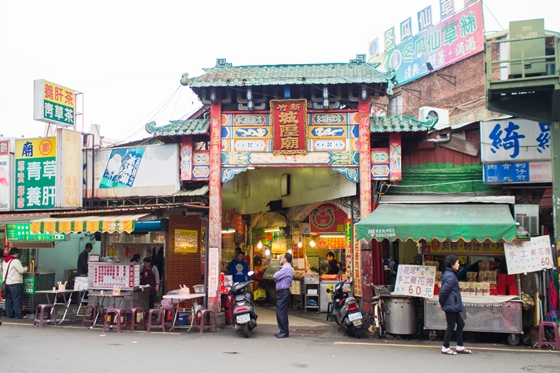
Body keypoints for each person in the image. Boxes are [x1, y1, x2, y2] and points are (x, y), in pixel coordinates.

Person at [439, 254, 472, 355]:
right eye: (457, 262)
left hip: (453, 304)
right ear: (452, 264)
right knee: (451, 326)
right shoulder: (450, 276)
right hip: (451, 304)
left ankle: (460, 346)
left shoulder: (450, 274)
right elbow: (444, 291)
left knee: (460, 324)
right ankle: (445, 347)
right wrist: (441, 301)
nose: (459, 264)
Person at [2, 248, 29, 319]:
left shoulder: (5, 261)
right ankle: (18, 315)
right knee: (17, 300)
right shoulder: (15, 261)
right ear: (16, 253)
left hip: (7, 283)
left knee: (8, 300)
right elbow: (21, 270)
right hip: (15, 283)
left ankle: (9, 315)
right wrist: (26, 268)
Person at [273, 253, 293, 338]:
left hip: (283, 292)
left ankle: (284, 331)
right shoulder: (286, 268)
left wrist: (277, 278)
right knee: (282, 312)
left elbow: (275, 276)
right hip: (283, 292)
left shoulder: (286, 268)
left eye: (282, 257)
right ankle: (283, 330)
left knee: (280, 311)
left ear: (285, 259)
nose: (281, 258)